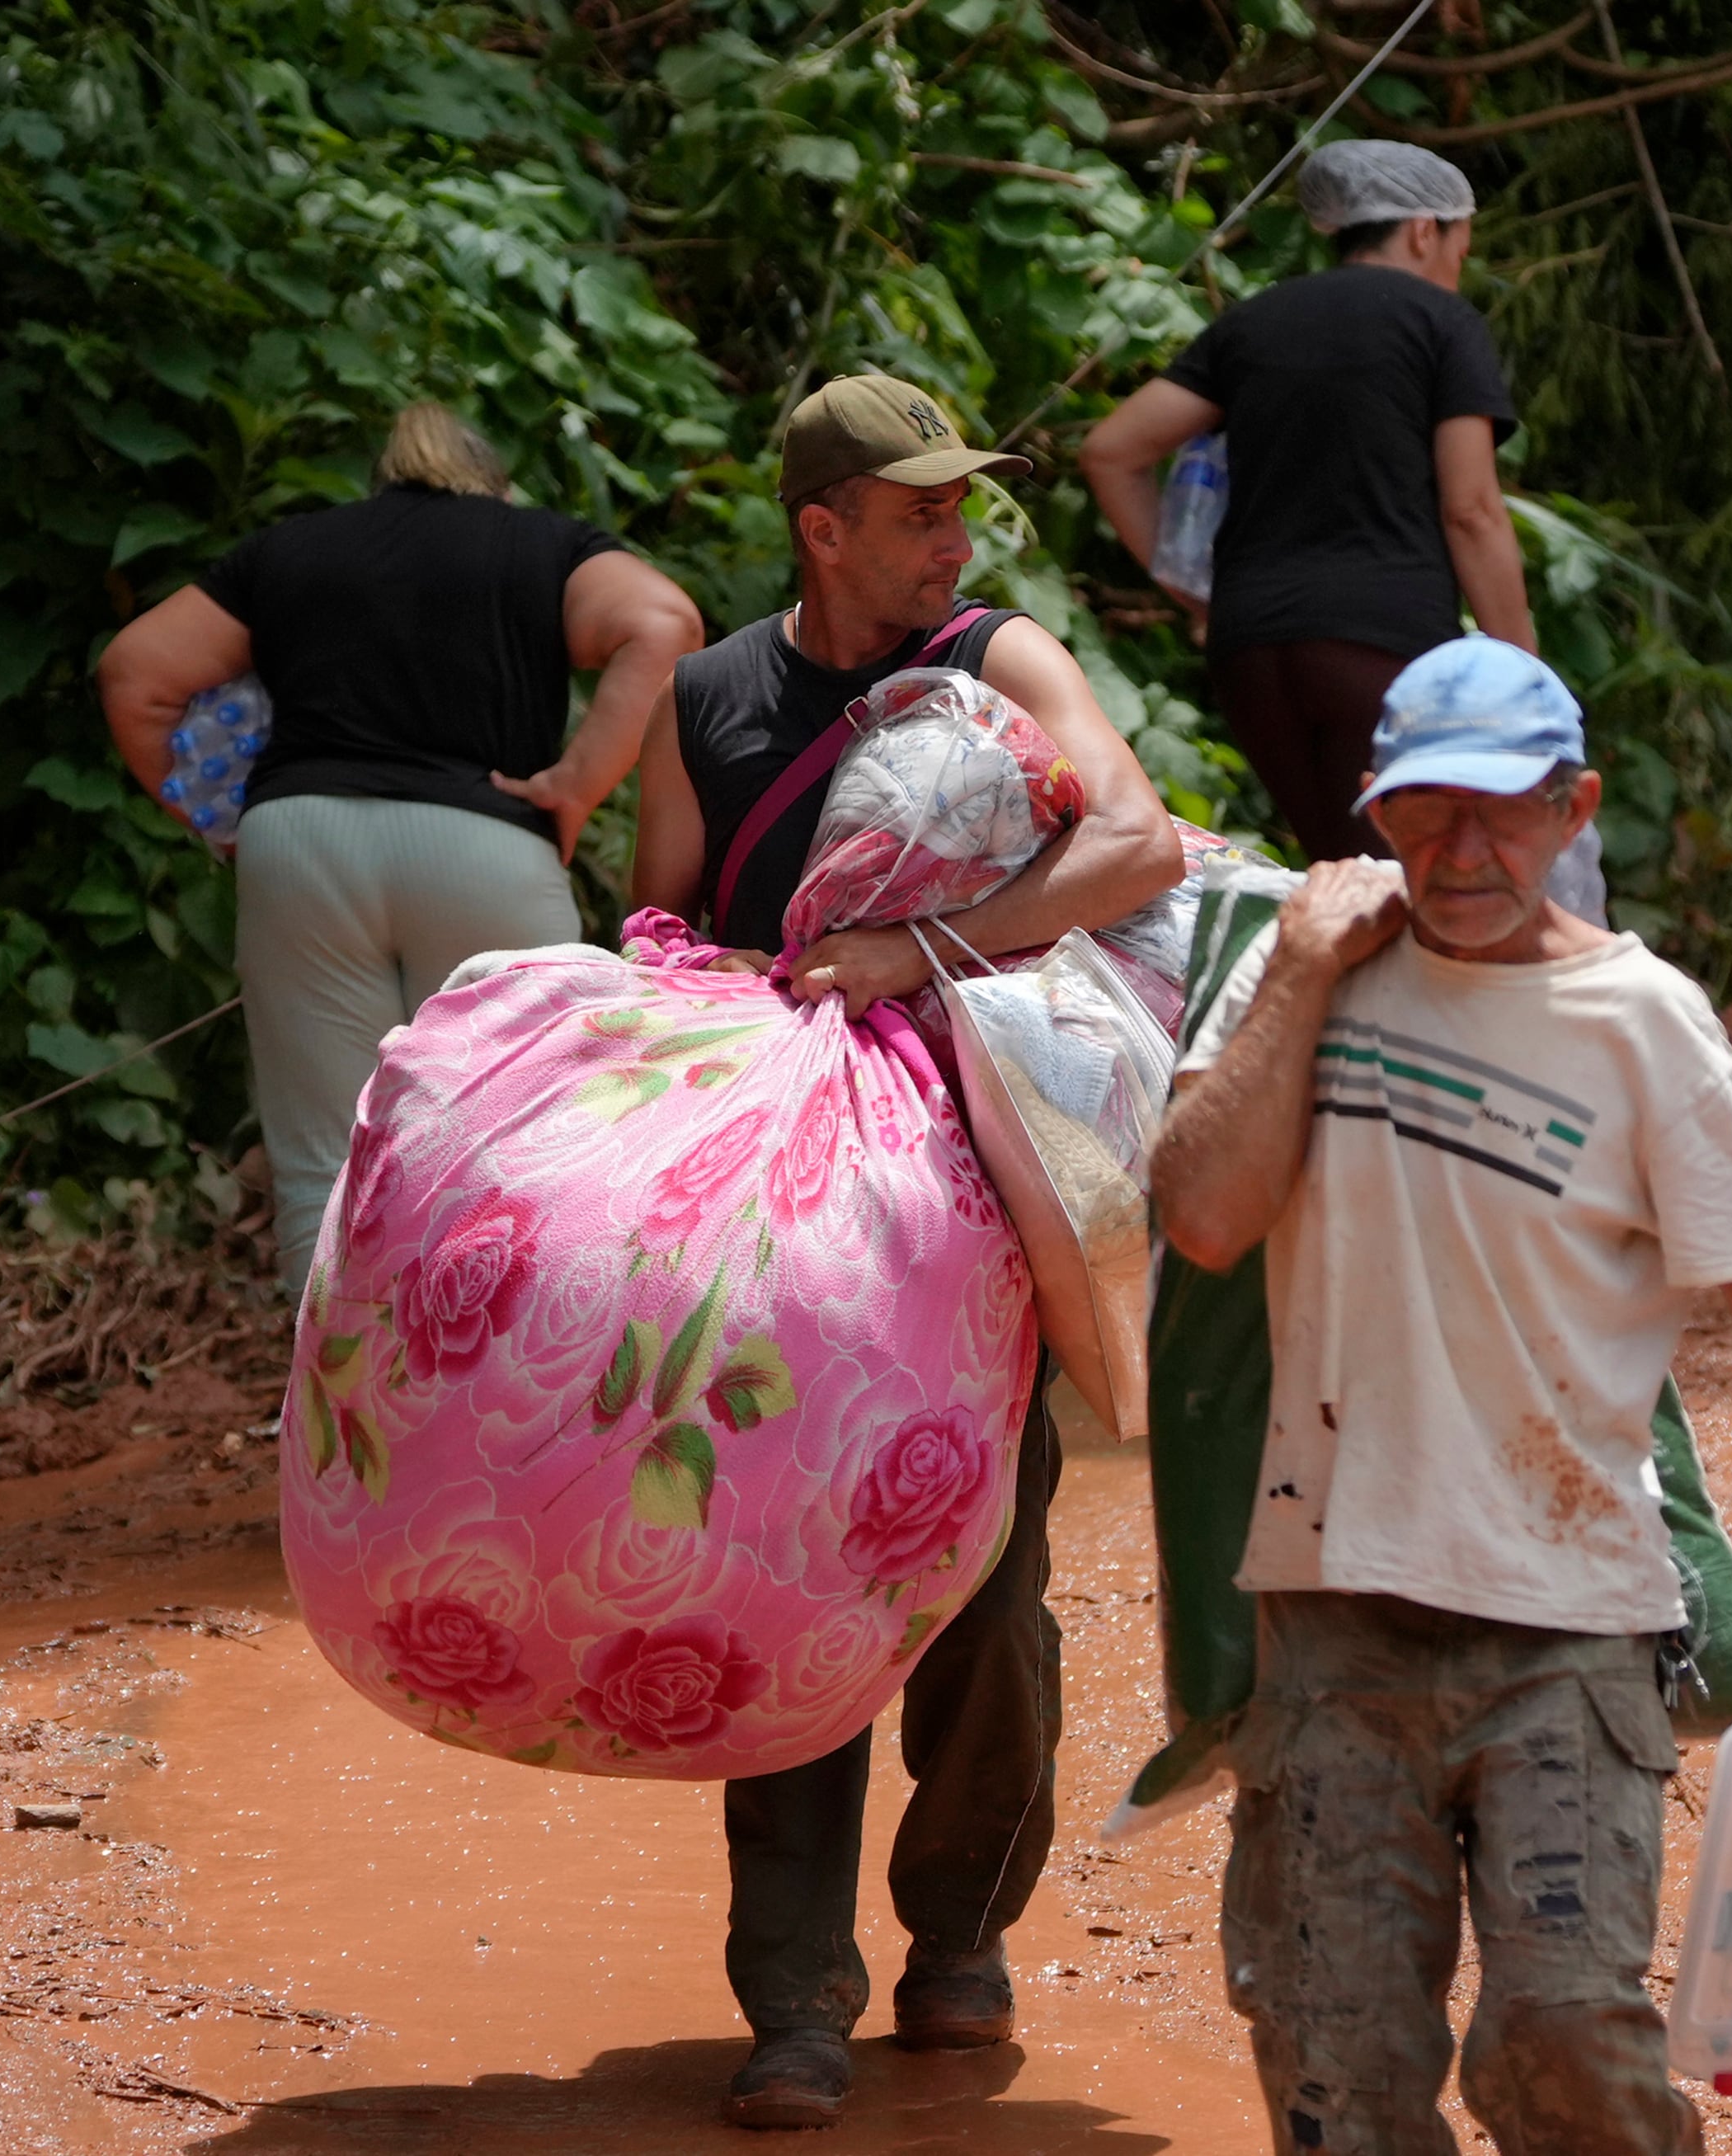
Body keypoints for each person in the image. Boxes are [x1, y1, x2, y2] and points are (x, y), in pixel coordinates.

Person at [1147, 635, 1732, 2156]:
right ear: (1374, 812)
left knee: (1569, 2032)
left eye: (1505, 810)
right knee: (1342, 2071)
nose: (1465, 850)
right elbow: (1199, 1216)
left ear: (1573, 808)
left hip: (1573, 1625)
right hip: (1330, 1614)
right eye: (1427, 809)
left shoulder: (1646, 1021)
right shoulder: (1300, 976)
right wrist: (1308, 967)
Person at [626, 371, 1182, 2130]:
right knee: (786, 1570)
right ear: (822, 525)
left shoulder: (1002, 655)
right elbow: (659, 923)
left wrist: (916, 950)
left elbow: (1137, 838)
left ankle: (959, 1927)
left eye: (960, 507)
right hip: (777, 1219)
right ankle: (792, 1995)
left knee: (984, 1567)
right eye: (919, 509)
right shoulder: (706, 696)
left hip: (972, 1192)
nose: (954, 535)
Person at [96, 403, 704, 1289]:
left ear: (381, 481)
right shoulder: (541, 545)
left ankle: (331, 1420)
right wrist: (574, 785)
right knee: (518, 1155)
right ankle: (499, 1412)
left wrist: (219, 825)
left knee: (325, 1166)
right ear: (493, 483)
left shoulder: (292, 549)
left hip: (300, 842)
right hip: (485, 843)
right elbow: (663, 623)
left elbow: (134, 673)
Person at [1080, 139, 1532, 863]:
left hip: (1252, 652)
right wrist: (1521, 670)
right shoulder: (1441, 322)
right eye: (1458, 247)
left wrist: (1199, 597)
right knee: (1405, 879)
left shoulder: (1251, 323)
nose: (1456, 268)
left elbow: (1111, 451)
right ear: (1425, 230)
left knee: (1340, 867)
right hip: (1382, 647)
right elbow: (1471, 509)